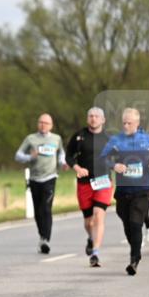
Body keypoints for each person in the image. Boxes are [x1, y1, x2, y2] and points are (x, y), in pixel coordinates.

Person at [99, 108, 149, 275]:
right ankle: (136, 243)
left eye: (129, 123)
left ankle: (134, 259)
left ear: (137, 123)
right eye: (124, 123)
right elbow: (103, 158)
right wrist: (114, 165)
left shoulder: (147, 139)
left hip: (142, 190)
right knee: (126, 222)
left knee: (135, 223)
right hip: (123, 190)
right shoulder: (116, 140)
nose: (126, 125)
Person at [15, 113, 67, 254]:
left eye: (46, 123)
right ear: (38, 124)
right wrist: (29, 157)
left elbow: (61, 153)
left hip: (50, 177)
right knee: (38, 211)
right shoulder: (31, 139)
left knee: (46, 208)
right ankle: (42, 236)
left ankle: (46, 240)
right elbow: (17, 155)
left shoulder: (56, 139)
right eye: (41, 122)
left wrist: (63, 163)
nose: (43, 125)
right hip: (34, 178)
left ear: (51, 125)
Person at [65, 107, 111, 267]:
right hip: (85, 183)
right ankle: (91, 239)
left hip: (103, 182)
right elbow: (68, 155)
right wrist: (77, 168)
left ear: (103, 120)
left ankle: (96, 253)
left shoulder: (108, 138)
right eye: (91, 116)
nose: (93, 119)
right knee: (89, 222)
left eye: (97, 116)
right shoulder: (79, 136)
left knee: (99, 215)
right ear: (87, 119)